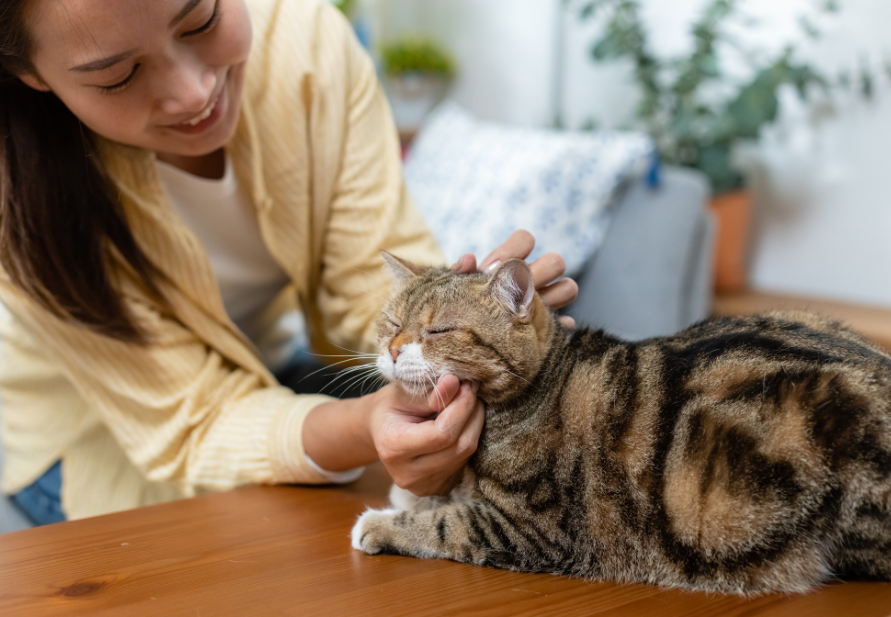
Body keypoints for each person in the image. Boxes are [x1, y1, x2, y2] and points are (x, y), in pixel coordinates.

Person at [0, 0, 578, 525]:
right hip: (100, 438)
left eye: (201, 20)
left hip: (269, 363)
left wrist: (457, 336)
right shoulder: (18, 197)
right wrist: (362, 427)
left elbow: (367, 285)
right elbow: (192, 424)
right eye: (117, 76)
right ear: (29, 74)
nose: (195, 91)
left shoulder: (309, 47)